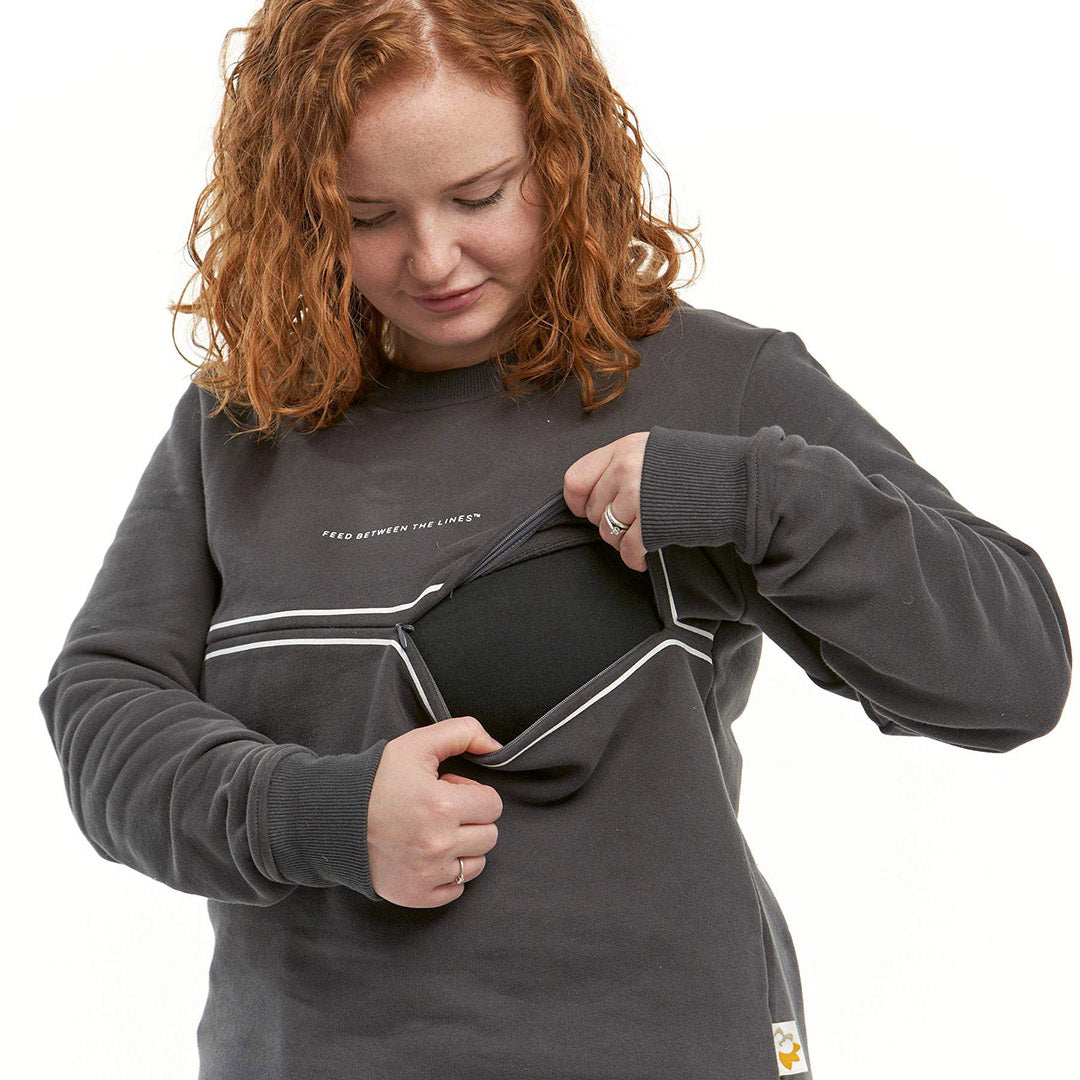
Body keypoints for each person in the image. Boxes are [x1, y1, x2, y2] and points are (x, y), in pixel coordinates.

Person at [37, 1, 1072, 1078]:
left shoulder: (717, 385)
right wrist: (320, 816)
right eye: (368, 215)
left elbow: (1016, 673)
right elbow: (103, 714)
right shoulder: (239, 428)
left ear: (564, 154)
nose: (432, 257)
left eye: (478, 196)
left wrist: (755, 493)